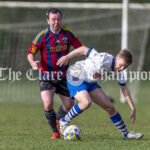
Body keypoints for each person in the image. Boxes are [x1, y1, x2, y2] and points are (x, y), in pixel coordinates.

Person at [57, 46, 143, 139]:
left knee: (109, 107)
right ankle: (63, 121)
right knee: (86, 102)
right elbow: (83, 49)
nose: (122, 68)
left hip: (90, 82)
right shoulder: (103, 59)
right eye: (121, 65)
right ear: (117, 58)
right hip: (76, 75)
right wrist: (66, 57)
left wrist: (132, 107)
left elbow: (124, 89)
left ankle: (126, 134)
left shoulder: (118, 72)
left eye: (125, 67)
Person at [27, 8, 84, 139]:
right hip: (46, 76)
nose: (56, 22)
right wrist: (32, 63)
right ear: (48, 21)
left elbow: (81, 48)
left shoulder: (68, 34)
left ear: (61, 19)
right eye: (53, 19)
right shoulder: (42, 36)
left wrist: (71, 57)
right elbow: (30, 52)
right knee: (47, 104)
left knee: (69, 105)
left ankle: (58, 120)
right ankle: (55, 132)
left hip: (64, 76)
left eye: (58, 19)